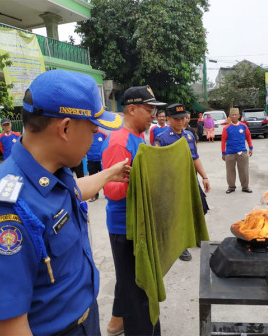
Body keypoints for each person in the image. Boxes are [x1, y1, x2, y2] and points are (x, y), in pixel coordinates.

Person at [0, 69, 128, 336]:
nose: (98, 135)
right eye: (93, 128)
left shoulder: (52, 171)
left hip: (85, 319)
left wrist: (111, 173)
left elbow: (73, 192)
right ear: (64, 128)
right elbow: (9, 328)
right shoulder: (6, 211)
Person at [101, 85, 165, 336]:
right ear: (131, 108)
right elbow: (111, 190)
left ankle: (117, 323)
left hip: (139, 224)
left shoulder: (139, 138)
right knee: (138, 290)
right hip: (125, 228)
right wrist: (140, 180)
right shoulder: (119, 140)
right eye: (149, 109)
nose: (153, 115)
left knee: (133, 285)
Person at [155, 103, 210, 262]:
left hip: (191, 180)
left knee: (200, 207)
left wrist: (204, 177)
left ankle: (196, 235)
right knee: (178, 213)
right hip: (173, 184)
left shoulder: (189, 135)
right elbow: (157, 164)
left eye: (183, 118)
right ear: (169, 119)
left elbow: (195, 157)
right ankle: (180, 245)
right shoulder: (162, 138)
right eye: (176, 119)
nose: (181, 122)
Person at [221, 108, 253, 194]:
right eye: (232, 115)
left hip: (242, 152)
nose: (234, 116)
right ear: (230, 116)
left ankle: (245, 187)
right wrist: (223, 153)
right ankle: (231, 187)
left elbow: (248, 136)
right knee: (230, 171)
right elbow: (223, 141)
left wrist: (251, 147)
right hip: (229, 153)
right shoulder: (226, 128)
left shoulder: (243, 126)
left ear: (239, 116)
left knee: (244, 170)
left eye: (236, 114)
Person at [87, 129, 108, 202]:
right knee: (93, 179)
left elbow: (107, 145)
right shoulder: (87, 134)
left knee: (105, 177)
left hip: (102, 161)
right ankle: (94, 195)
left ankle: (107, 194)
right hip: (91, 161)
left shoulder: (103, 134)